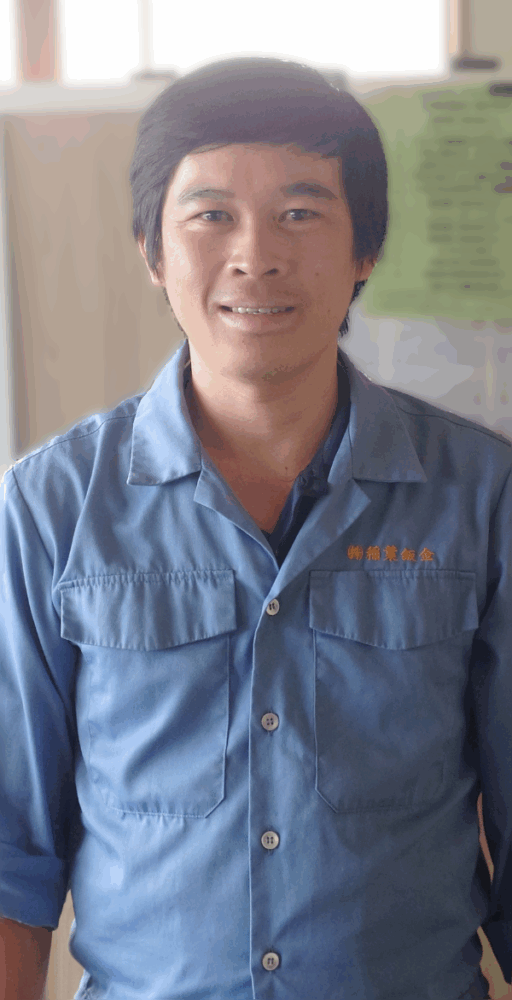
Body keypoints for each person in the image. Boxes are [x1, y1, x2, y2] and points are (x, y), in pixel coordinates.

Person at [0, 56, 510, 1000]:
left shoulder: (482, 495)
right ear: (153, 251)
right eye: (210, 216)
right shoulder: (50, 507)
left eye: (301, 212)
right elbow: (10, 856)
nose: (256, 255)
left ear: (365, 250)